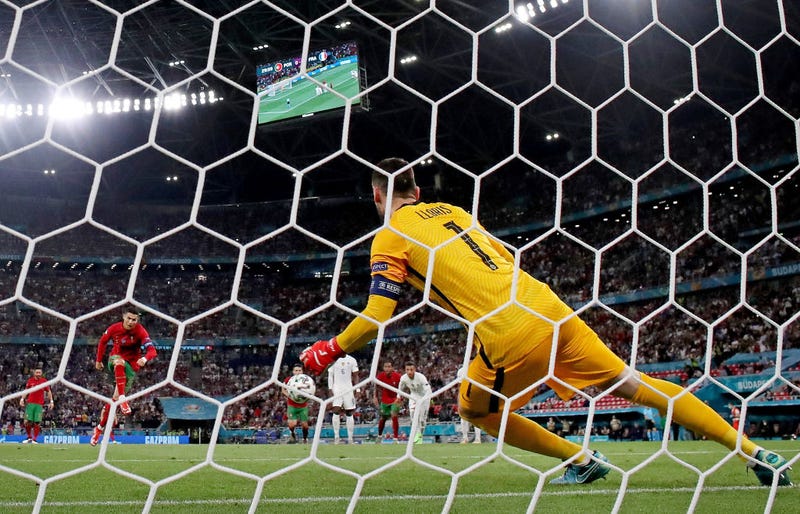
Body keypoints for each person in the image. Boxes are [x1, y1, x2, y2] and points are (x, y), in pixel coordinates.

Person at [300, 157, 792, 486]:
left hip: (508, 331)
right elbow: (498, 259)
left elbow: (377, 315)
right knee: (635, 383)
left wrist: (332, 348)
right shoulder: (452, 210)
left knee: (475, 413)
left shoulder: (389, 236)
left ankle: (580, 460)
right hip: (549, 306)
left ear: (378, 198)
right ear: (419, 189)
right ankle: (753, 451)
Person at [91, 306, 157, 447]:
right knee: (119, 362)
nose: (131, 321)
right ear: (124, 317)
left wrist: (144, 359)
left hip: (131, 368)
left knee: (113, 402)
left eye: (134, 319)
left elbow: (152, 351)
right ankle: (123, 399)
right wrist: (98, 360)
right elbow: (103, 341)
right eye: (129, 318)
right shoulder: (114, 328)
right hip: (115, 359)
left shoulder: (140, 331)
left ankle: (99, 428)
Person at [397, 362, 432, 444]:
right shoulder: (403, 378)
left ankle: (420, 436)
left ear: (415, 370)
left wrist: (424, 399)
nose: (409, 372)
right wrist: (398, 396)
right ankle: (417, 434)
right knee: (413, 415)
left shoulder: (421, 377)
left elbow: (428, 389)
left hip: (425, 397)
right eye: (407, 370)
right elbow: (400, 388)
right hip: (414, 396)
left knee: (422, 419)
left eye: (411, 370)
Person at [328, 355, 359, 444]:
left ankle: (350, 438)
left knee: (349, 412)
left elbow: (356, 375)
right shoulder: (333, 359)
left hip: (348, 389)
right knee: (336, 411)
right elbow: (330, 375)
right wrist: (330, 389)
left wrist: (357, 389)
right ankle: (336, 438)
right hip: (337, 389)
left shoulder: (352, 359)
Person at [19, 367, 54, 444]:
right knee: (27, 421)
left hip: (39, 405)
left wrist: (51, 401)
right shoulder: (30, 381)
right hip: (30, 404)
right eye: (37, 372)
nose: (38, 374)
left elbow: (48, 391)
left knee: (37, 422)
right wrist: (22, 399)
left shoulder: (44, 381)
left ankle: (35, 439)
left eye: (39, 372)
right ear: (34, 373)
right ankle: (29, 437)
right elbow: (26, 390)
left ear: (41, 373)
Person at [373, 361, 401, 443]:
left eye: (389, 366)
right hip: (385, 400)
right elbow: (376, 386)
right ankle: (379, 436)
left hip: (395, 399)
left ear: (392, 368)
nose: (387, 368)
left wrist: (401, 397)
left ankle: (395, 439)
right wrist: (375, 396)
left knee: (394, 415)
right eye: (386, 366)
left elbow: (403, 386)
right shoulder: (381, 376)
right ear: (383, 368)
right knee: (383, 418)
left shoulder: (397, 376)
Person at [283, 364, 310, 444]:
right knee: (292, 424)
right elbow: (283, 390)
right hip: (292, 406)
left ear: (302, 371)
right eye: (296, 370)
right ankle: (292, 434)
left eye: (299, 370)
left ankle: (305, 439)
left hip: (303, 406)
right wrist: (290, 396)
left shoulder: (307, 380)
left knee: (305, 425)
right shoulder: (288, 380)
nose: (298, 372)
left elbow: (311, 389)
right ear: (293, 372)